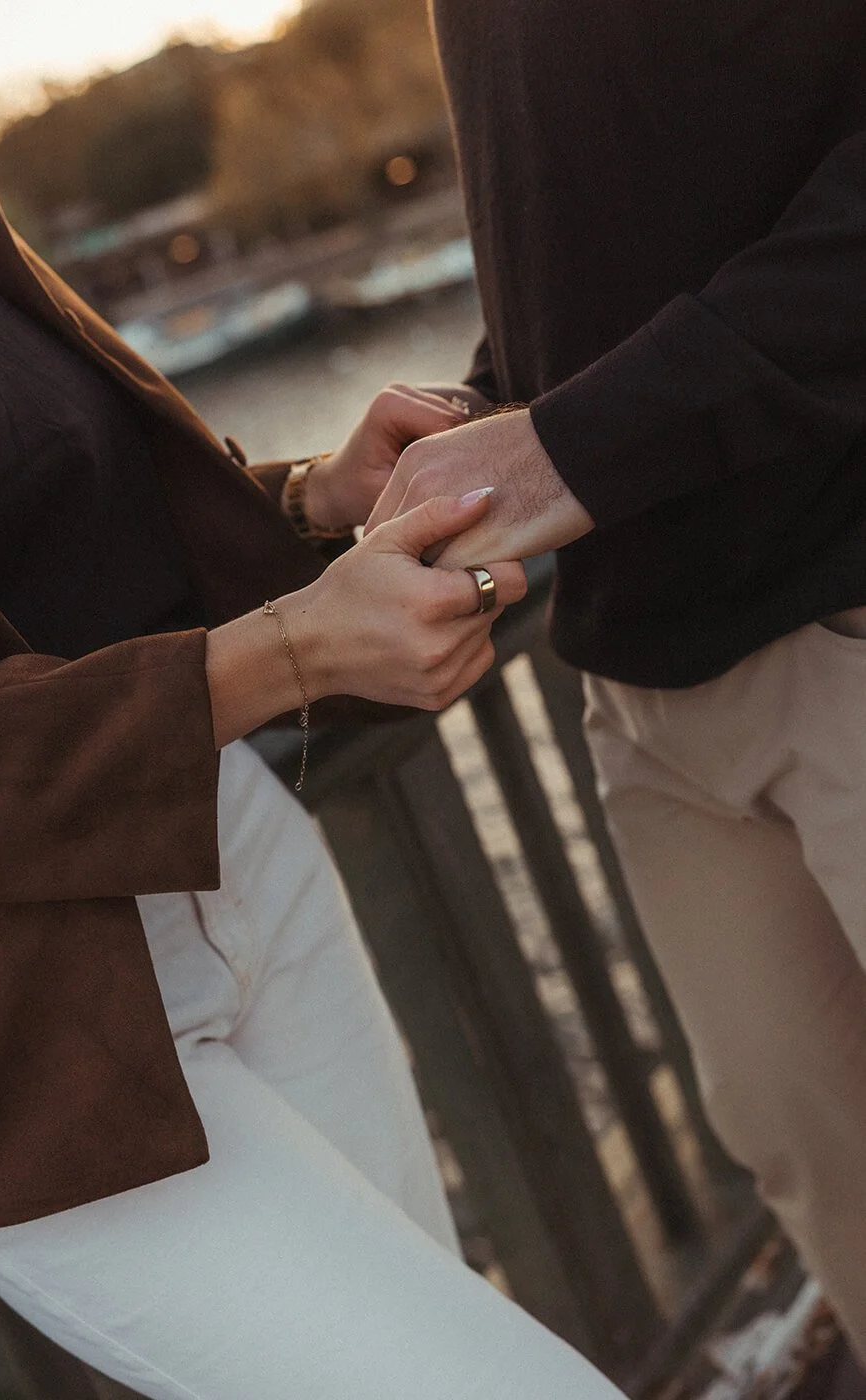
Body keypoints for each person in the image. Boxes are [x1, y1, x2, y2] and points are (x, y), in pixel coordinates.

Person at [0, 128, 626, 1399]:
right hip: (18, 1037)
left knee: (440, 1297)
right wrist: (289, 656)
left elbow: (58, 553)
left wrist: (307, 501)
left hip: (230, 841)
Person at [367, 0, 866, 1364]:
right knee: (819, 1175)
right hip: (644, 685)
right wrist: (495, 412)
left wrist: (575, 446)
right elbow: (636, 201)